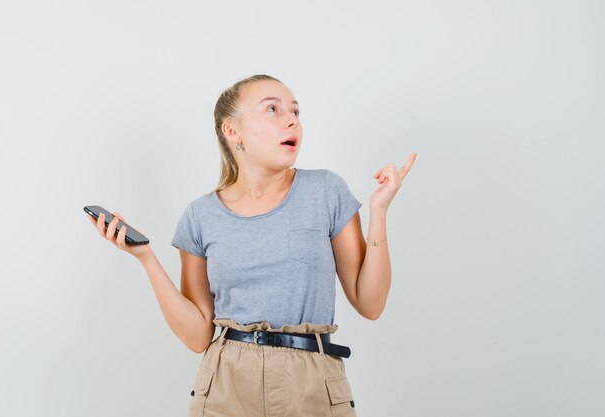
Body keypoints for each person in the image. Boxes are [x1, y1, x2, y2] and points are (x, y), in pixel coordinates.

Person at [88, 74, 416, 417]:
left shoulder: (326, 192)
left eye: (295, 111)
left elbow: (371, 303)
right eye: (272, 109)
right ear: (233, 131)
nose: (291, 120)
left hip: (313, 387)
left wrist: (379, 211)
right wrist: (146, 259)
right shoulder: (199, 217)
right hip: (226, 387)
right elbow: (199, 336)